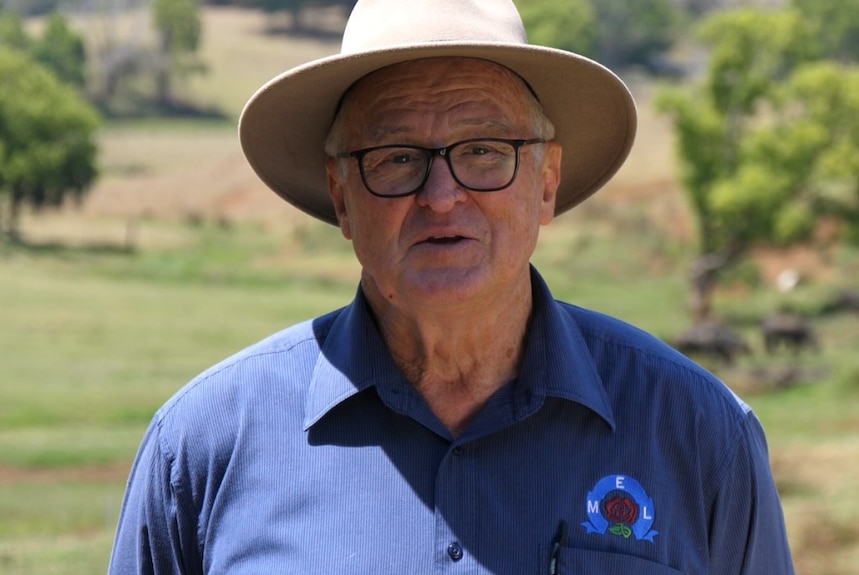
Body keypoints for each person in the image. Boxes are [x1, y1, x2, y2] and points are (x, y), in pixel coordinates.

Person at [108, 0, 795, 573]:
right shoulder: (200, 450)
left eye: (483, 152)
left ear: (547, 182)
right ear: (341, 197)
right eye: (397, 157)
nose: (442, 195)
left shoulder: (698, 433)